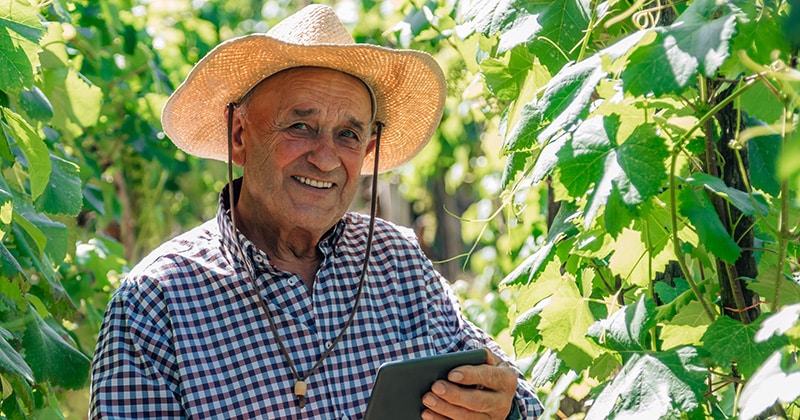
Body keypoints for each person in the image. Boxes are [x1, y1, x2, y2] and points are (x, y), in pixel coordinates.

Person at [89, 4, 544, 419]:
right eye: (300, 126)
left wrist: (499, 405)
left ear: (367, 151)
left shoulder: (399, 263)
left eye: (348, 135)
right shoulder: (157, 302)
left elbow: (516, 397)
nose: (326, 159)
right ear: (239, 136)